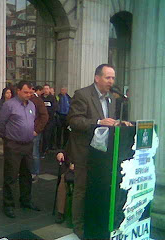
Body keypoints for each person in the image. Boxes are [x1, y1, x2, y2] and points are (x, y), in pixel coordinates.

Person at [66, 64, 118, 239]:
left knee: (98, 189)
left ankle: (95, 223)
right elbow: (74, 120)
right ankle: (79, 228)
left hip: (103, 156)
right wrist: (98, 122)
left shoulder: (112, 98)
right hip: (84, 153)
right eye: (107, 77)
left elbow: (108, 123)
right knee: (81, 190)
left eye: (113, 78)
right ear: (97, 78)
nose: (111, 81)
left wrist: (118, 124)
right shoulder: (83, 94)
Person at [0, 80, 40, 219]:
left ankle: (25, 200)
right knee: (11, 176)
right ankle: (8, 205)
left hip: (28, 145)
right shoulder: (9, 105)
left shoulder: (32, 105)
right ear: (18, 90)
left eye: (30, 92)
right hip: (13, 145)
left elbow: (33, 121)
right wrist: (7, 139)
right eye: (26, 92)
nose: (28, 95)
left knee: (27, 174)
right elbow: (0, 124)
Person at [29, 86, 49, 181]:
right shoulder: (23, 101)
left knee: (34, 153)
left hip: (34, 131)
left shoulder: (38, 101)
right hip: (24, 131)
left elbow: (44, 116)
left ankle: (35, 172)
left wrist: (37, 130)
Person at [55, 150, 74, 224]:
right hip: (70, 168)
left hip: (83, 168)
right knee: (63, 181)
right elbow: (66, 149)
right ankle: (61, 212)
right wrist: (61, 153)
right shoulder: (72, 140)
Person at [41, 84, 57, 154]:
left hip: (50, 119)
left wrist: (48, 111)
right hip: (42, 119)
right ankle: (43, 148)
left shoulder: (52, 98)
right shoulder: (40, 98)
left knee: (48, 134)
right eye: (44, 89)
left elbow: (54, 108)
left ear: (49, 89)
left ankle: (46, 148)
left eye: (47, 89)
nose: (46, 90)